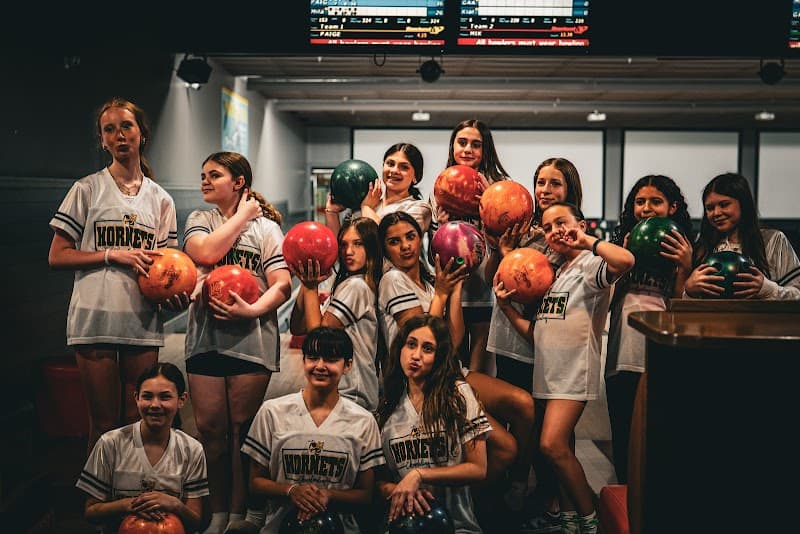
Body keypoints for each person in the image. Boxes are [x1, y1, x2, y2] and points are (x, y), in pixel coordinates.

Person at [48, 97, 184, 453]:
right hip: (94, 319)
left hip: (141, 321)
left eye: (126, 126)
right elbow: (57, 255)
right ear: (102, 140)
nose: (120, 135)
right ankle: (98, 504)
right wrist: (111, 254)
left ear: (142, 134)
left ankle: (133, 498)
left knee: (137, 419)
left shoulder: (161, 200)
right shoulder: (87, 189)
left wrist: (175, 294)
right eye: (110, 129)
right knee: (104, 423)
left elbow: (169, 266)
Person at [377, 211, 529, 519]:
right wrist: (443, 293)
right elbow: (423, 335)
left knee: (522, 402)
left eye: (410, 237)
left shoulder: (433, 280)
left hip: (446, 370)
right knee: (505, 448)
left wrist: (454, 287)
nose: (405, 246)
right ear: (385, 249)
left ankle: (512, 486)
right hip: (420, 377)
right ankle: (472, 501)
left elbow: (453, 339)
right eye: (394, 242)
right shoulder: (393, 280)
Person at [494, 202, 635, 534]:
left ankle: (590, 520)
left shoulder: (589, 264)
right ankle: (570, 520)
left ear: (581, 225)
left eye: (562, 222)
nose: (554, 229)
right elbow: (538, 332)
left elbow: (626, 261)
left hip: (573, 371)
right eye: (547, 226)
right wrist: (505, 307)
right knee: (562, 450)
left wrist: (586, 242)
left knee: (551, 445)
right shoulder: (555, 274)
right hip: (548, 373)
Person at [183, 151, 292, 533]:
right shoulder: (199, 220)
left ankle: (242, 513)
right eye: (202, 174)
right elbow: (205, 252)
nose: (205, 181)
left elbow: (282, 284)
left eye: (214, 175)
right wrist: (243, 216)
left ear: (239, 182)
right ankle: (217, 514)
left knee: (242, 431)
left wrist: (252, 311)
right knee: (212, 431)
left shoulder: (266, 230)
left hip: (251, 339)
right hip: (205, 340)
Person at [483, 157, 583, 524]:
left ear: (569, 189)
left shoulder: (563, 237)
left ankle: (555, 496)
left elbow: (539, 294)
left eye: (554, 184)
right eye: (540, 182)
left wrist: (511, 257)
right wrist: (500, 249)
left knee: (548, 428)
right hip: (507, 339)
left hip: (540, 344)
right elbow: (498, 281)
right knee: (516, 422)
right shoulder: (520, 229)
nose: (544, 190)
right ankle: (519, 493)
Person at [238, 327, 385, 533]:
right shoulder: (272, 412)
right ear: (304, 360)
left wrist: (329, 495)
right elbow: (255, 482)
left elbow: (365, 494)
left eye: (331, 359)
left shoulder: (363, 421)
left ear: (348, 365)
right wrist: (291, 491)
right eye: (313, 357)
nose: (320, 366)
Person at [605, 175, 694, 485]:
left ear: (673, 207)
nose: (646, 208)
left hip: (660, 356)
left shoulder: (684, 249)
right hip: (622, 355)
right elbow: (605, 303)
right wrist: (622, 263)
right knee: (623, 436)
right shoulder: (621, 247)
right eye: (640, 202)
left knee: (657, 439)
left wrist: (684, 268)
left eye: (655, 201)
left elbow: (681, 310)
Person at [375, 313, 491, 533]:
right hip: (404, 523)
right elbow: (377, 482)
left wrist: (419, 475)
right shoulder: (387, 407)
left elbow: (478, 468)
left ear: (439, 356)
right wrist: (400, 488)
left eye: (427, 349)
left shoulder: (457, 394)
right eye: (411, 345)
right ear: (400, 348)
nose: (416, 355)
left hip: (457, 526)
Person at [76, 362, 209, 534]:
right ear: (136, 398)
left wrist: (174, 504)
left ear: (181, 400)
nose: (155, 405)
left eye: (165, 397)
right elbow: (90, 512)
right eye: (147, 396)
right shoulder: (110, 443)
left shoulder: (192, 449)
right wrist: (128, 505)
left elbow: (195, 521)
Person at [429, 119, 511, 376]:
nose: (467, 149)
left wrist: (491, 205)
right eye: (462, 142)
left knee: (479, 371)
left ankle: (478, 412)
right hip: (451, 287)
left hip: (485, 288)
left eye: (476, 145)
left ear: (485, 151)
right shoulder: (441, 188)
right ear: (452, 146)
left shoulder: (497, 188)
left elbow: (506, 240)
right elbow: (433, 250)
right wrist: (440, 227)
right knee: (449, 362)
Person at [289, 216, 384, 411]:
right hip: (342, 391)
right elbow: (298, 328)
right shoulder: (345, 285)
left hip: (352, 393)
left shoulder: (357, 287)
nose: (348, 252)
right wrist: (307, 278)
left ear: (372, 248)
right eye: (343, 244)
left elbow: (320, 341)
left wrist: (310, 287)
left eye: (358, 244)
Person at [684, 172, 800, 300]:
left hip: (761, 320)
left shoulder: (774, 240)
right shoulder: (701, 247)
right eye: (710, 208)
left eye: (724, 204)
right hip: (710, 320)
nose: (716, 213)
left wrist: (768, 289)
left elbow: (797, 293)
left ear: (743, 204)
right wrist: (689, 290)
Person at [325, 142, 433, 237]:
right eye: (390, 164)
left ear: (415, 177)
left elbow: (389, 239)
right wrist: (332, 212)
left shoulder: (419, 209)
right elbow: (342, 248)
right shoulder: (360, 207)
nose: (395, 170)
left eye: (404, 167)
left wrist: (367, 207)